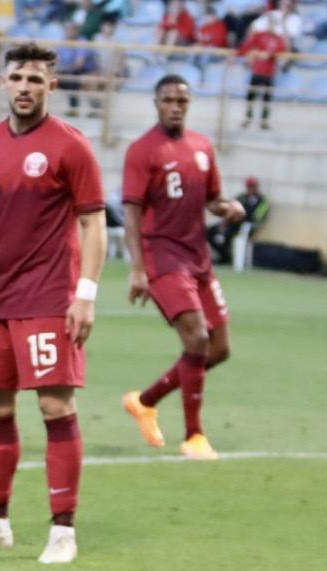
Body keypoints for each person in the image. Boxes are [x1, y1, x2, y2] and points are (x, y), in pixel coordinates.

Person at [0, 42, 107, 565]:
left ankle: (62, 530)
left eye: (36, 79)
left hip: (51, 298)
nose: (26, 87)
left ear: (52, 86)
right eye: (17, 77)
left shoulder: (70, 146)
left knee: (56, 408)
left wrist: (85, 295)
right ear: (3, 83)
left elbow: (94, 223)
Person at [120, 76, 246, 461]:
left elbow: (212, 199)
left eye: (182, 101)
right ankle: (194, 436)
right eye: (168, 100)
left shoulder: (202, 146)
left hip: (198, 258)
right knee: (196, 340)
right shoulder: (143, 151)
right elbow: (131, 214)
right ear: (156, 103)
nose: (175, 106)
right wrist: (138, 269)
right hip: (162, 257)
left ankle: (145, 401)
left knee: (220, 348)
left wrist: (229, 208)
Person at [207, 175, 268, 263]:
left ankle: (225, 258)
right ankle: (220, 254)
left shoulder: (262, 200)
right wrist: (224, 221)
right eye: (249, 186)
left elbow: (257, 217)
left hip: (244, 225)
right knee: (210, 231)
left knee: (228, 234)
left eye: (252, 186)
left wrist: (240, 216)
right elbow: (230, 207)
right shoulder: (242, 197)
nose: (250, 189)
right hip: (232, 221)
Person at [238, 25, 286, 130]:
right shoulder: (259, 36)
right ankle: (248, 118)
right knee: (251, 96)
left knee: (267, 98)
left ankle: (264, 121)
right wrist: (254, 55)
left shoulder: (279, 39)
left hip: (269, 73)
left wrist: (270, 55)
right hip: (257, 71)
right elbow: (248, 47)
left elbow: (282, 55)